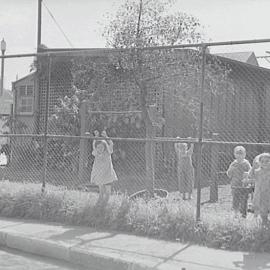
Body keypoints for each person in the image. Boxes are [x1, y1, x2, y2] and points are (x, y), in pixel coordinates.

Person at [90, 130, 118, 200]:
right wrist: (96, 137)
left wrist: (106, 137)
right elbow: (94, 144)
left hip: (107, 173)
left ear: (105, 147)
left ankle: (106, 203)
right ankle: (100, 203)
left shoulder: (108, 153)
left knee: (108, 191)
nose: (100, 149)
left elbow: (111, 144)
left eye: (102, 147)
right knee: (101, 191)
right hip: (99, 174)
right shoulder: (96, 153)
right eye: (98, 147)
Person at [226, 146, 251, 218]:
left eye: (241, 153)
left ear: (245, 154)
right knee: (235, 200)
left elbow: (251, 172)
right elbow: (228, 174)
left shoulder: (246, 163)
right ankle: (236, 214)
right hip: (235, 185)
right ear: (234, 154)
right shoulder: (233, 164)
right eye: (237, 153)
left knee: (244, 200)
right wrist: (232, 170)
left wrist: (248, 174)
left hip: (244, 185)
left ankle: (243, 215)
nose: (239, 155)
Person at [248, 153, 270, 226]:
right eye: (262, 161)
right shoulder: (257, 171)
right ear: (259, 163)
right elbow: (250, 175)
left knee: (267, 208)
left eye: (267, 161)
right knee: (263, 211)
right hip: (260, 194)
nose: (265, 163)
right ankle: (264, 223)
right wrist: (253, 167)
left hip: (268, 194)